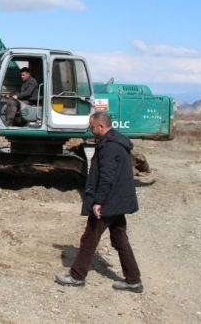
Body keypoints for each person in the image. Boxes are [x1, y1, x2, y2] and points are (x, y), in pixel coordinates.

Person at [55, 111, 143, 293]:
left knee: (89, 239)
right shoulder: (117, 142)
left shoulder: (109, 147)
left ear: (101, 127)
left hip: (109, 202)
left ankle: (76, 276)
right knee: (120, 240)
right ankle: (133, 280)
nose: (91, 130)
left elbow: (106, 177)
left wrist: (99, 201)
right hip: (118, 200)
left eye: (93, 127)